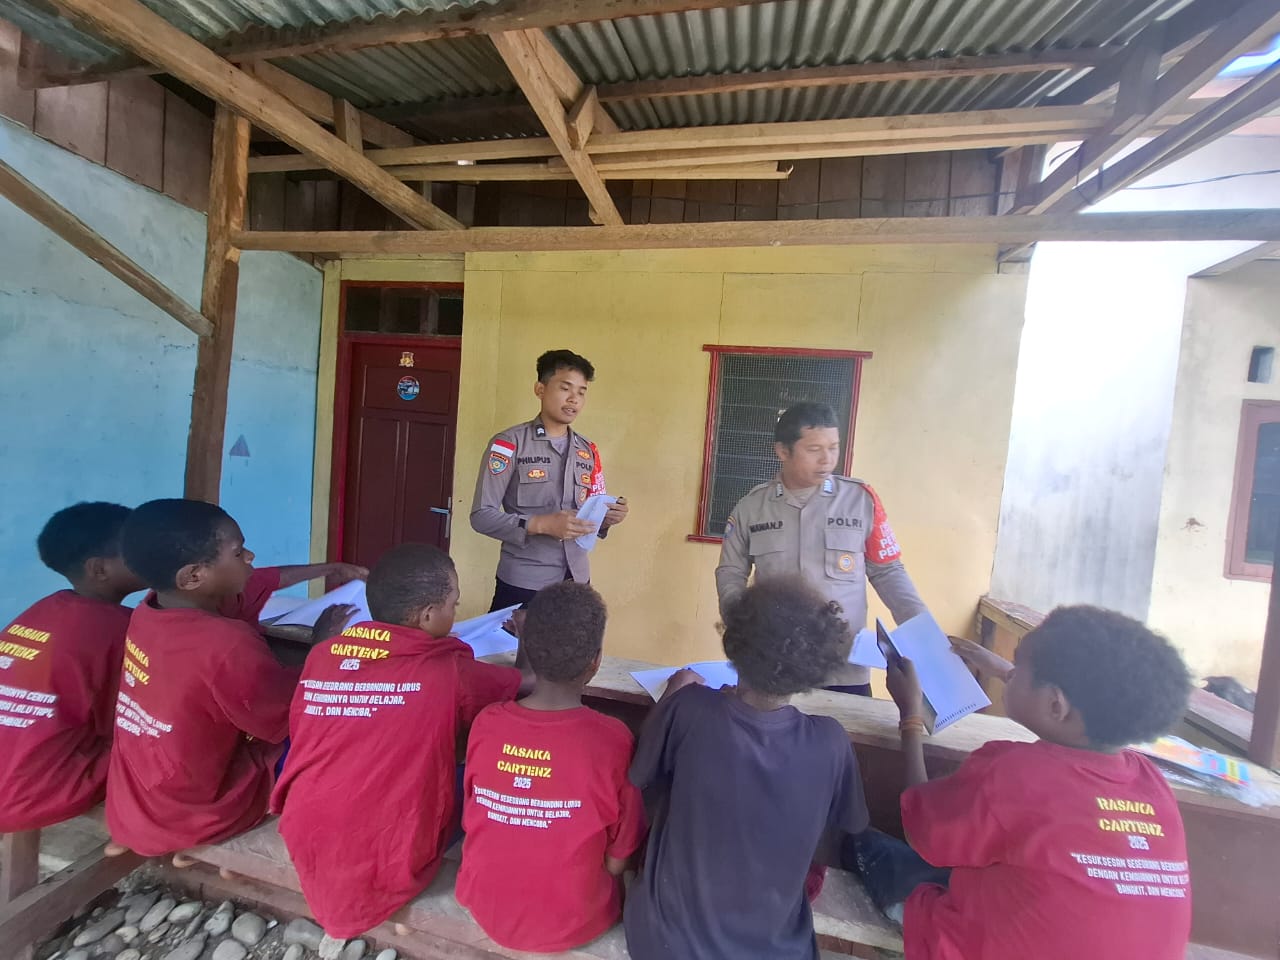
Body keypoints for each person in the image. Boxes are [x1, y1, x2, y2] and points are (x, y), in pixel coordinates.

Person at [851, 605, 1193, 960]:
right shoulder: (1152, 782)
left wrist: (910, 715)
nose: (1009, 673)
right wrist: (1004, 671)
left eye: (1017, 668)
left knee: (870, 847)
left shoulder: (1012, 772)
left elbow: (920, 830)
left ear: (1056, 705)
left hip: (984, 948)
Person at [272, 544, 527, 941]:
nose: (456, 612)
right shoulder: (451, 670)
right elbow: (527, 685)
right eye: (454, 606)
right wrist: (526, 640)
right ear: (427, 616)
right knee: (488, 766)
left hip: (307, 834)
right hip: (394, 853)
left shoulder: (323, 656)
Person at [625, 577, 869, 960]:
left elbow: (639, 775)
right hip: (774, 950)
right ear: (816, 663)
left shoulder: (690, 709)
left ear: (735, 640)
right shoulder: (830, 741)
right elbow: (846, 832)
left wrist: (675, 691)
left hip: (665, 942)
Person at [106, 498, 359, 857]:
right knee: (337, 724)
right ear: (194, 576)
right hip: (196, 812)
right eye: (239, 553)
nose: (251, 557)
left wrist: (330, 568)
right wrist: (322, 644)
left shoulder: (152, 609)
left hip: (140, 799)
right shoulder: (224, 643)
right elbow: (286, 715)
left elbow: (262, 580)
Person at [457, 581, 646, 952]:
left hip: (484, 904)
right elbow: (617, 863)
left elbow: (472, 817)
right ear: (596, 661)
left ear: (526, 647)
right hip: (576, 922)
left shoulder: (486, 723)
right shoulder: (613, 739)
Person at [716, 401, 926, 695]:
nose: (827, 459)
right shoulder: (751, 508)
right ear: (783, 451)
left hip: (843, 668)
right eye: (814, 449)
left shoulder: (860, 501)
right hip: (772, 665)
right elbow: (730, 571)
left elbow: (888, 571)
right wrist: (742, 627)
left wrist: (922, 630)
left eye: (833, 447)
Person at [0, 503, 146, 832]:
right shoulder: (119, 628)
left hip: (12, 774)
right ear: (99, 569)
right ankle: (146, 833)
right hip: (40, 792)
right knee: (169, 734)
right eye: (140, 548)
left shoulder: (43, 610)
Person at [470, 349, 628, 611]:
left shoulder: (587, 450)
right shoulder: (509, 444)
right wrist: (541, 524)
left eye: (581, 392)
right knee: (515, 640)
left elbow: (588, 513)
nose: (574, 399)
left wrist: (606, 518)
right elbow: (481, 516)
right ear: (540, 389)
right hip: (525, 581)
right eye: (565, 388)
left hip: (576, 580)